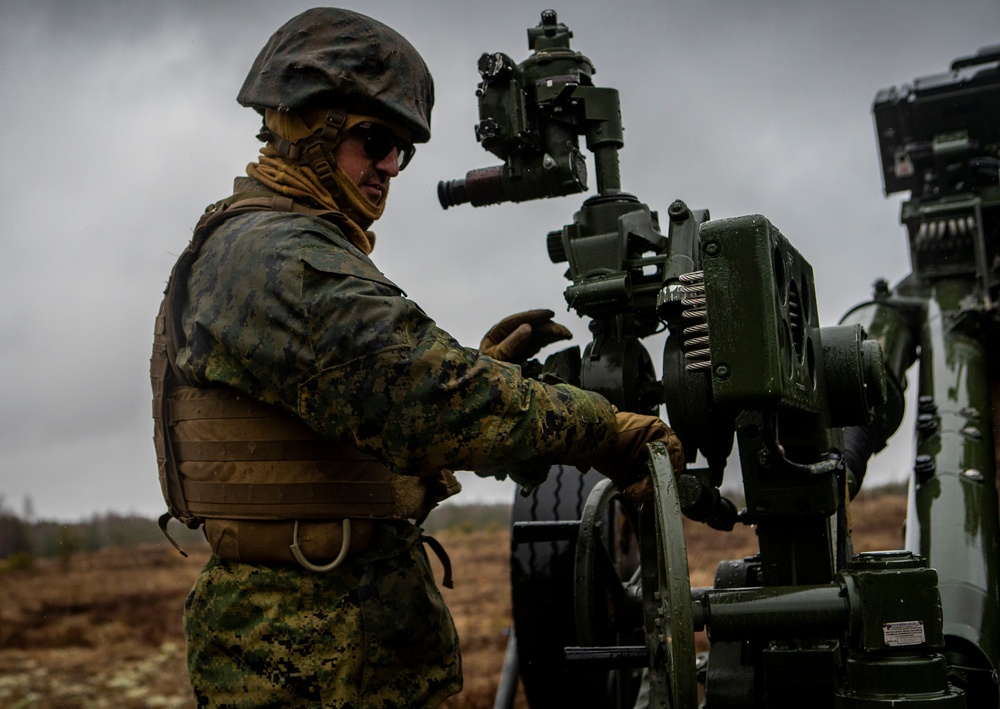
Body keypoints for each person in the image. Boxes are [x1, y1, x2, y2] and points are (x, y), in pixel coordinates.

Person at [150, 7, 684, 708]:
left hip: (351, 634)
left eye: (403, 150)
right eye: (374, 139)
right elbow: (428, 396)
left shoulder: (298, 249)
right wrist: (604, 430)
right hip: (302, 654)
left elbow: (389, 401)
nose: (389, 168)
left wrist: (483, 375)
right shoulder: (281, 261)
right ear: (305, 125)